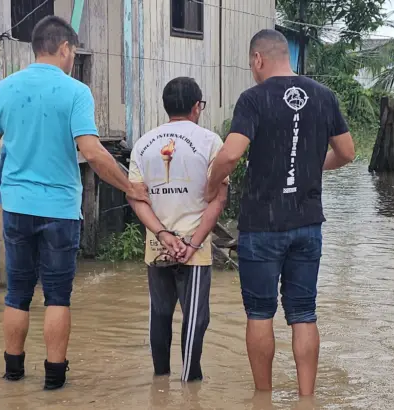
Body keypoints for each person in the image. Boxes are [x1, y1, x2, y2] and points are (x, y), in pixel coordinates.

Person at [0, 16, 149, 391]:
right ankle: (54, 382)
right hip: (59, 211)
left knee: (17, 293)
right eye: (73, 51)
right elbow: (94, 153)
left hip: (16, 207)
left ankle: (13, 375)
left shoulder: (4, 89)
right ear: (65, 48)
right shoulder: (75, 92)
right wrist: (130, 186)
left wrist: (9, 188)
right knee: (57, 296)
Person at [206, 29, 355, 396]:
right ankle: (306, 398)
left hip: (262, 226)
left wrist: (212, 185)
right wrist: (307, 167)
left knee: (260, 313)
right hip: (307, 225)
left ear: (258, 59)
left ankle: (263, 398)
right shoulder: (323, 95)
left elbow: (229, 154)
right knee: (304, 312)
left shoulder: (253, 99)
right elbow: (348, 152)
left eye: (251, 63)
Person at [127, 77, 228, 382]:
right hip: (193, 251)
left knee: (159, 314)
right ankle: (190, 387)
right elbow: (219, 200)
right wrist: (193, 243)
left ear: (166, 106)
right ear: (197, 107)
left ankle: (160, 383)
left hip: (158, 246)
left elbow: (136, 198)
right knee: (195, 318)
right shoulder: (210, 142)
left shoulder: (143, 143)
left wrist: (162, 235)